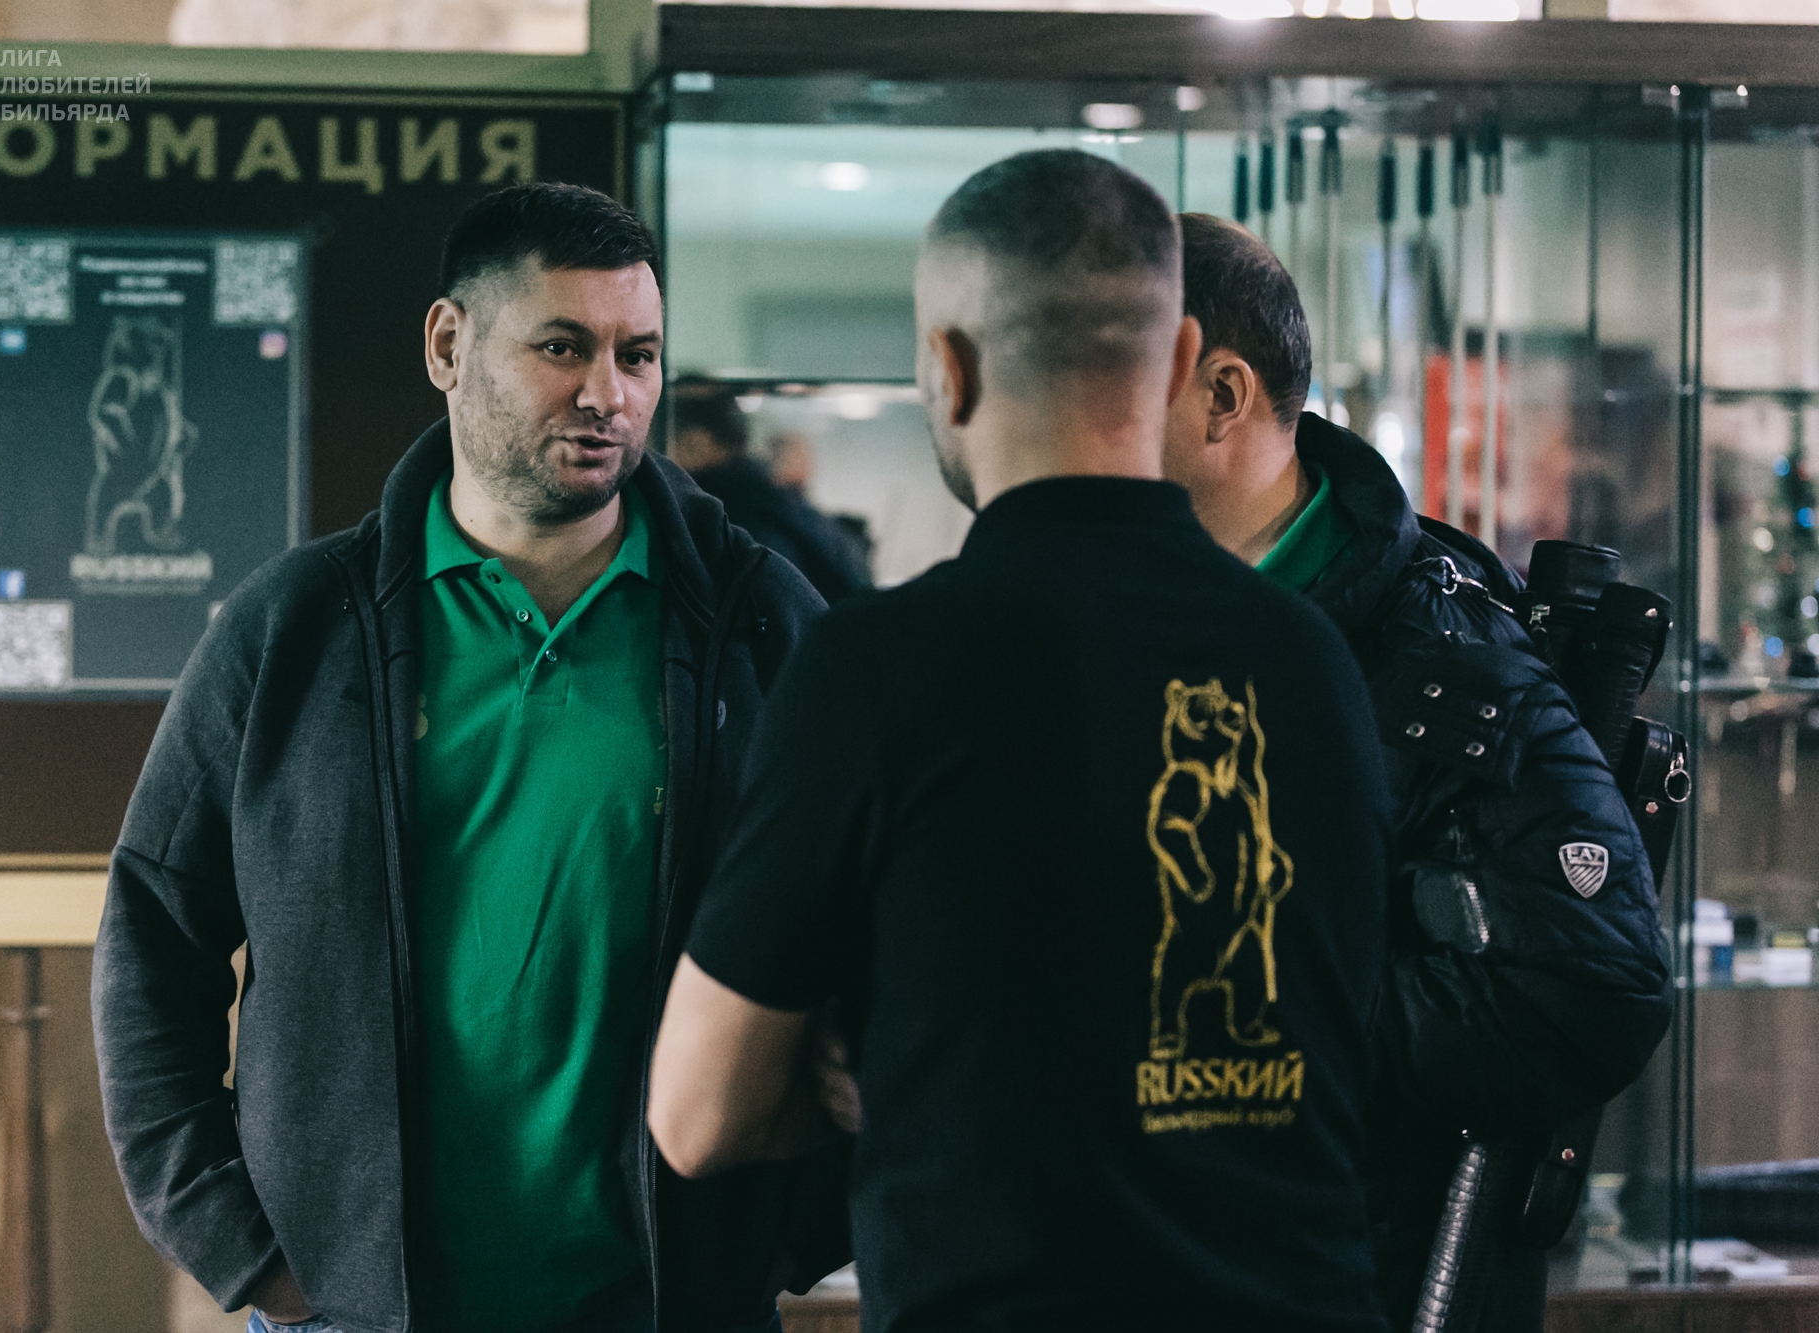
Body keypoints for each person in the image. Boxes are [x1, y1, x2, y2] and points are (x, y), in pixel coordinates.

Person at [646, 150, 1393, 1332]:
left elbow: (695, 1115)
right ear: (1181, 361)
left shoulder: (877, 666)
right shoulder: (1313, 659)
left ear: (945, 370)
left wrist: (874, 1069)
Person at [92, 183, 847, 1333]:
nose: (608, 393)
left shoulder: (758, 624)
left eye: (637, 355)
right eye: (562, 346)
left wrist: (795, 1228)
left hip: (670, 1307)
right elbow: (153, 934)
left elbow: (879, 926)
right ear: (448, 345)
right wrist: (242, 1244)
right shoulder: (294, 632)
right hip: (355, 1312)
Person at [1157, 213, 1672, 1330]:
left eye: (1105, 380)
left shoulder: (1441, 650)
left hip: (1349, 1276)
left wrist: (1254, 1034)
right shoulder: (1140, 609)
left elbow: (1595, 987)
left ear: (1221, 394)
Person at [666, 380, 873, 602]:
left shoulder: (729, 520)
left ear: (699, 443)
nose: (660, 460)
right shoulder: (772, 504)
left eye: (671, 444)